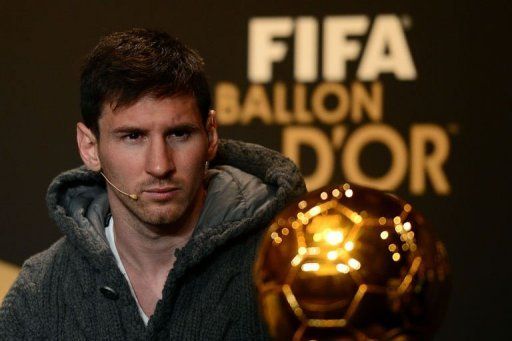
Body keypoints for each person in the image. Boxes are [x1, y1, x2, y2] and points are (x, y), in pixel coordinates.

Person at [0, 28, 306, 339]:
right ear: (90, 147)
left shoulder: (289, 267)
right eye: (133, 136)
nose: (160, 165)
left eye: (179, 134)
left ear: (211, 136)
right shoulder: (40, 295)